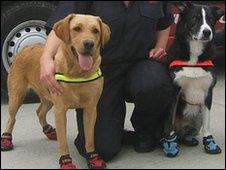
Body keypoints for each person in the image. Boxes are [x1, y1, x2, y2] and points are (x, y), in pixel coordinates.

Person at [41, 1, 175, 162]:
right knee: (102, 149)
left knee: (156, 84)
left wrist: (160, 46)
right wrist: (46, 57)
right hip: (103, 71)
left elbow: (164, 22)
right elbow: (63, 24)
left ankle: (145, 132)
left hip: (141, 63)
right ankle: (116, 132)